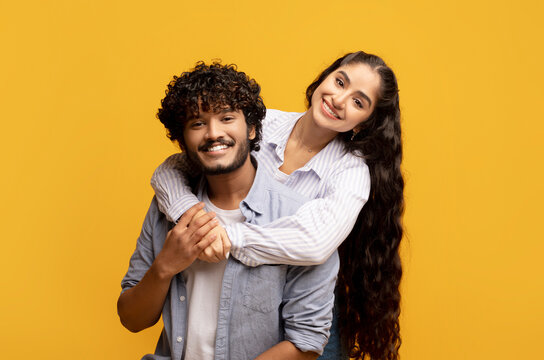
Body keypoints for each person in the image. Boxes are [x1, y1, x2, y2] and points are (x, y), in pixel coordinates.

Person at [151, 51, 404, 360]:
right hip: (235, 292)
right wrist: (194, 220)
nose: (339, 99)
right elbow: (169, 170)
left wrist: (227, 237)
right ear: (323, 78)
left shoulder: (351, 173)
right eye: (339, 82)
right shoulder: (263, 122)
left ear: (364, 124)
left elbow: (315, 244)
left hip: (304, 297)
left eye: (358, 102)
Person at [118, 62, 339, 360]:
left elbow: (306, 341)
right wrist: (165, 267)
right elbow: (132, 319)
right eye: (197, 123)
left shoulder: (299, 219)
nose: (213, 133)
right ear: (182, 141)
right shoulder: (166, 208)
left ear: (251, 128)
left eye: (226, 118)